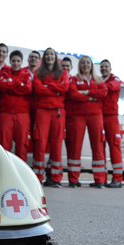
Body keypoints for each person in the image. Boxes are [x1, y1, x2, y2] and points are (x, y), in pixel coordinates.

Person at [67, 56, 107, 188]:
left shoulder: (98, 79)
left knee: (98, 147)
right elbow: (73, 94)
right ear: (79, 65)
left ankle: (99, 180)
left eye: (88, 63)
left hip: (96, 116)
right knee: (75, 146)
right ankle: (73, 179)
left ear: (91, 65)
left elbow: (103, 93)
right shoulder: (74, 79)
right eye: (83, 63)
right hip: (78, 116)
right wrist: (92, 97)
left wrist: (85, 92)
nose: (85, 65)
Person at [32, 47, 69, 188]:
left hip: (58, 112)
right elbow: (38, 89)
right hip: (43, 111)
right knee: (40, 144)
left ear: (55, 57)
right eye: (47, 54)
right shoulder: (38, 72)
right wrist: (55, 88)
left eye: (51, 54)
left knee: (57, 145)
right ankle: (38, 177)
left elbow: (64, 88)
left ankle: (55, 178)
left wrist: (47, 86)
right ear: (44, 57)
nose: (49, 56)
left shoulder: (63, 73)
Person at [43, 57, 76, 187]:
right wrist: (56, 88)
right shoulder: (57, 78)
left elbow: (70, 92)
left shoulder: (74, 80)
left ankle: (73, 178)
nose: (65, 68)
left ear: (71, 68)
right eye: (63, 66)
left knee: (64, 147)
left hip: (71, 117)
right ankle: (50, 174)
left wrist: (53, 88)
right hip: (57, 114)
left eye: (68, 66)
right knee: (54, 147)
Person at [0, 50, 32, 161]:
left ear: (22, 62)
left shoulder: (27, 74)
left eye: (18, 61)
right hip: (6, 114)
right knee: (4, 145)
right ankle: (5, 172)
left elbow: (27, 89)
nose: (16, 63)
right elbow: (2, 87)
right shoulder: (4, 74)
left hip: (22, 114)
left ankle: (20, 173)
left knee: (22, 145)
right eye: (13, 61)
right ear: (10, 61)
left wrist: (10, 86)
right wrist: (18, 83)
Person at [100, 59, 124, 188]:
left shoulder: (115, 79)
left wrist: (96, 88)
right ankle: (102, 179)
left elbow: (110, 87)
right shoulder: (98, 80)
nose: (104, 68)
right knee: (100, 147)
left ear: (110, 69)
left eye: (106, 67)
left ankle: (117, 179)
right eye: (102, 67)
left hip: (111, 117)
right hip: (99, 116)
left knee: (114, 146)